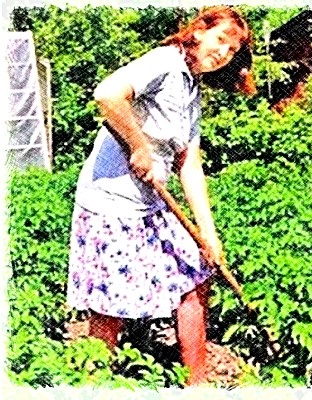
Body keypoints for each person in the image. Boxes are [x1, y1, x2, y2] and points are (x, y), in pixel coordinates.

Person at [66, 6, 255, 386]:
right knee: (110, 307)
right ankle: (93, 384)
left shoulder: (191, 86)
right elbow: (108, 94)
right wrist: (139, 147)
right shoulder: (165, 62)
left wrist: (209, 235)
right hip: (112, 202)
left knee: (196, 272)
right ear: (198, 32)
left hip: (150, 204)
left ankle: (197, 384)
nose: (223, 53)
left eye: (232, 50)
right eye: (220, 39)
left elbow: (189, 164)